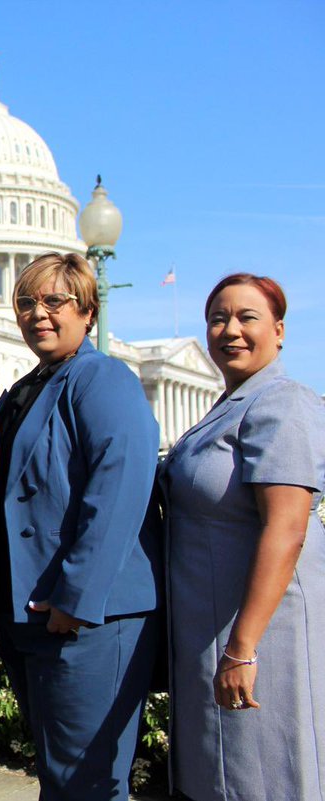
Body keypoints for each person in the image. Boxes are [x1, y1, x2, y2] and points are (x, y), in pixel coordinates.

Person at [0, 252, 161, 800]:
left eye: (55, 301)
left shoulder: (104, 378)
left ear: (88, 312)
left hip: (86, 614)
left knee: (87, 780)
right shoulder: (26, 388)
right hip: (32, 612)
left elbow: (118, 488)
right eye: (26, 302)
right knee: (59, 772)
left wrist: (77, 595)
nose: (38, 314)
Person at [160, 273, 325, 801]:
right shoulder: (229, 406)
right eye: (217, 319)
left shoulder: (283, 403)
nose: (230, 330)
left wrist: (242, 649)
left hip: (261, 635)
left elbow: (287, 526)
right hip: (213, 631)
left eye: (246, 317)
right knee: (223, 776)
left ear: (279, 331)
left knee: (265, 774)